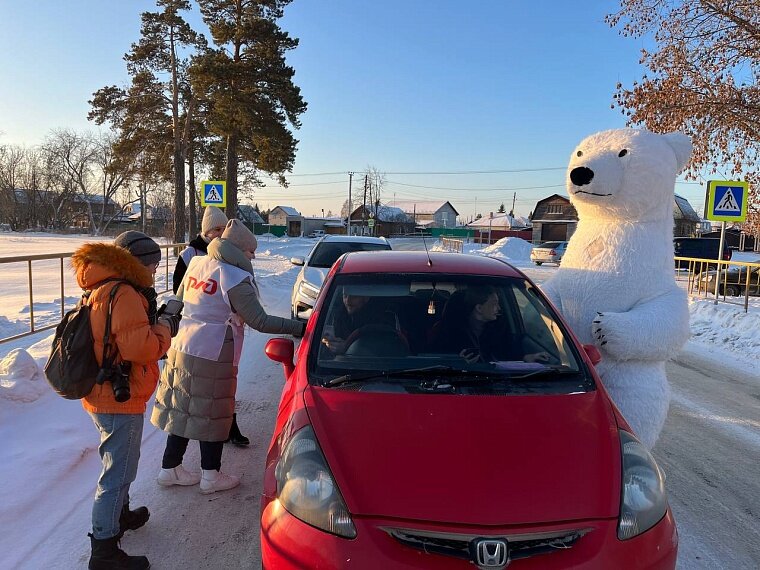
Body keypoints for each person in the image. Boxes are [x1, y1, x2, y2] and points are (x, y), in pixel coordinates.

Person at [151, 219, 305, 494]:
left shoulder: (198, 264)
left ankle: (169, 468)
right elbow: (259, 320)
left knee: (184, 407)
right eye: (250, 251)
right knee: (213, 411)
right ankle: (210, 475)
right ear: (236, 250)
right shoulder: (233, 276)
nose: (253, 256)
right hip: (213, 350)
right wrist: (301, 327)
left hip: (183, 344)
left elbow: (178, 299)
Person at [72, 231, 180, 570]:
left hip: (102, 389)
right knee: (117, 472)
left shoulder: (103, 285)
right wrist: (166, 326)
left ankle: (119, 516)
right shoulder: (126, 293)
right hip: (118, 397)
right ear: (138, 263)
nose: (155, 271)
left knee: (118, 463)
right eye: (152, 264)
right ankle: (104, 550)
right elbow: (141, 348)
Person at [172, 206, 249, 446]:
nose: (219, 232)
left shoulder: (230, 253)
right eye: (215, 228)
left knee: (223, 387)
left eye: (222, 228)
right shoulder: (190, 254)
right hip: (197, 332)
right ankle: (206, 446)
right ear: (206, 230)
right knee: (198, 391)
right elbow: (180, 289)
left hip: (223, 332)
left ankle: (229, 426)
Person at [432, 287, 550, 364]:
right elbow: (433, 360)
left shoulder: (500, 328)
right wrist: (457, 361)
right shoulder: (448, 332)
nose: (499, 308)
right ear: (479, 308)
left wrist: (526, 358)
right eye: (494, 304)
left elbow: (508, 354)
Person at [321, 288, 398, 355]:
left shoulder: (382, 318)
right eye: (345, 296)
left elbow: (382, 350)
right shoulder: (337, 314)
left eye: (353, 297)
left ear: (366, 298)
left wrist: (346, 347)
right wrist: (330, 343)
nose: (347, 301)